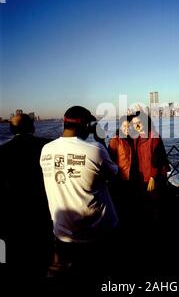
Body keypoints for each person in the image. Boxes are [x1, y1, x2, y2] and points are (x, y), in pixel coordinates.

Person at [40, 106, 118, 277]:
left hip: (62, 232)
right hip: (98, 230)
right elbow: (114, 175)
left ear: (64, 123)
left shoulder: (46, 150)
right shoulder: (95, 150)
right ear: (88, 125)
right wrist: (101, 141)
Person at [0, 114, 53, 278]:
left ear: (11, 129)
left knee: (18, 252)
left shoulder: (3, 151)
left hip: (14, 209)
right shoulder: (47, 146)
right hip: (44, 206)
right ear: (33, 128)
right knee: (44, 248)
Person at [131, 111, 170, 225]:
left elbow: (157, 158)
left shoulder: (154, 136)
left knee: (156, 204)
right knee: (146, 204)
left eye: (139, 122)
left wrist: (153, 177)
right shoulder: (136, 138)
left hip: (154, 176)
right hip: (142, 176)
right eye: (134, 124)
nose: (137, 125)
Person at [108, 115, 140, 228]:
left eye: (129, 126)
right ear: (120, 126)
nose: (127, 128)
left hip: (134, 176)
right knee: (122, 204)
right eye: (124, 126)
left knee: (133, 203)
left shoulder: (134, 139)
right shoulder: (115, 140)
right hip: (121, 178)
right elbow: (110, 160)